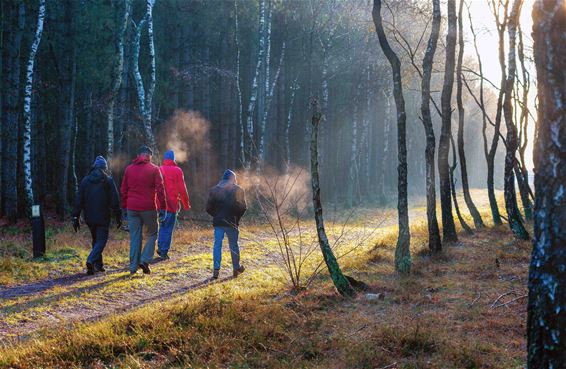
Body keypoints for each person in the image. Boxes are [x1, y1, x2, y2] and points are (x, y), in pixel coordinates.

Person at [121, 146, 166, 275]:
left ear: (138, 154)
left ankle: (133, 267)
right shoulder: (154, 169)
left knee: (135, 236)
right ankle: (145, 260)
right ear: (149, 155)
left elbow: (123, 190)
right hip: (148, 208)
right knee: (153, 233)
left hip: (132, 207)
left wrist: (124, 206)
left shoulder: (129, 169)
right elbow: (160, 189)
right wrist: (163, 207)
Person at [72, 156, 121, 275]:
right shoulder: (107, 180)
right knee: (101, 240)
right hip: (103, 216)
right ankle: (91, 260)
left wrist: (75, 217)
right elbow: (115, 200)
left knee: (96, 239)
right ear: (104, 168)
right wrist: (118, 215)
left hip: (89, 217)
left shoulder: (85, 180)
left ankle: (98, 265)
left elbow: (79, 200)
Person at [206, 169, 247, 279]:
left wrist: (216, 215)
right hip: (232, 223)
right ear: (233, 179)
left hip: (218, 223)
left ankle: (216, 270)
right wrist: (236, 218)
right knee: (233, 245)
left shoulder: (214, 190)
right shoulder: (238, 190)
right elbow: (243, 207)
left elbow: (208, 208)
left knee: (217, 245)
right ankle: (236, 268)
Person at [157, 149, 191, 259]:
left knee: (162, 226)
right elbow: (182, 189)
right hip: (172, 204)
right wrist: (186, 204)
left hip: (160, 205)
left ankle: (160, 247)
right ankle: (163, 251)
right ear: (173, 159)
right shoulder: (177, 170)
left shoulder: (160, 169)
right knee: (168, 228)